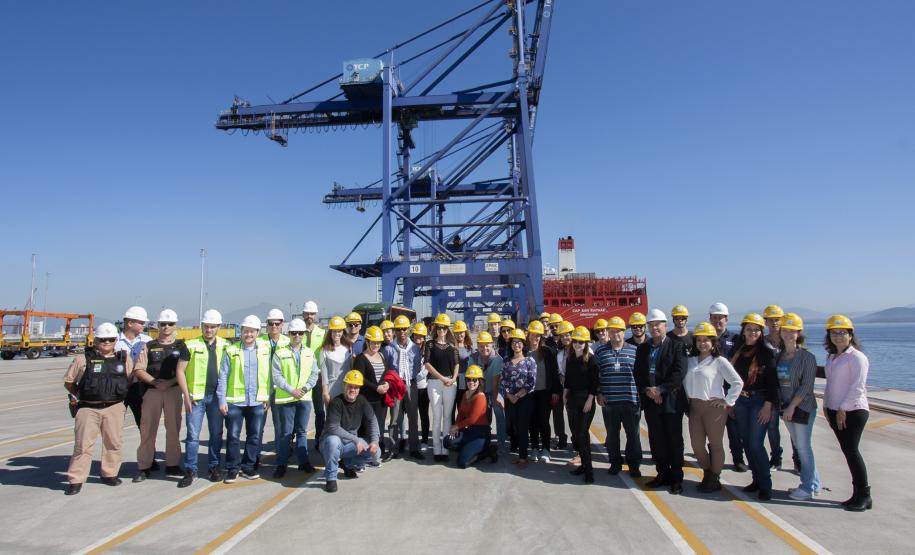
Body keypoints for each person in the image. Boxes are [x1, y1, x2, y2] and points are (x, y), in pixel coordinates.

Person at [64, 323, 136, 495]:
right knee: (82, 445)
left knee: (114, 443)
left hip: (114, 407)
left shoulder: (124, 358)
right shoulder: (83, 359)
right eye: (103, 339)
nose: (107, 343)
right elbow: (69, 382)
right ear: (96, 340)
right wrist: (81, 394)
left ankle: (109, 474)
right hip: (88, 408)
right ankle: (76, 479)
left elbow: (129, 379)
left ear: (116, 340)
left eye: (110, 339)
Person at [683, 322, 743, 493]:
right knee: (697, 446)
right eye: (699, 340)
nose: (702, 343)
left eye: (706, 340)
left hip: (713, 408)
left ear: (713, 342)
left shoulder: (719, 361)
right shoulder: (690, 361)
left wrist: (728, 401)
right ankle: (708, 472)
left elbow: (737, 382)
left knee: (715, 444)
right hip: (694, 407)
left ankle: (714, 477)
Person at [634, 309, 688, 494]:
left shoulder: (677, 346)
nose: (654, 327)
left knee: (674, 439)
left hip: (671, 401)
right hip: (651, 401)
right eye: (651, 324)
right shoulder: (643, 349)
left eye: (658, 324)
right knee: (656, 440)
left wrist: (660, 390)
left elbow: (679, 373)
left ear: (665, 325)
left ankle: (676, 478)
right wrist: (648, 391)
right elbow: (638, 373)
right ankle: (662, 474)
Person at [823, 314, 872, 512]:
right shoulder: (832, 357)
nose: (838, 336)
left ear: (850, 335)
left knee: (852, 451)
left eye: (842, 332)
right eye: (834, 333)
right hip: (835, 409)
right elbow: (831, 384)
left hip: (853, 410)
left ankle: (864, 495)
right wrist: (826, 406)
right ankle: (856, 494)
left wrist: (843, 408)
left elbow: (858, 387)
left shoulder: (857, 357)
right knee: (847, 451)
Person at [133, 309, 187, 482]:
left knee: (173, 429)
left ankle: (173, 464)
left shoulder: (181, 346)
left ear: (175, 325)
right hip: (152, 391)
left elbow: (185, 370)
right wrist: (155, 382)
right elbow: (139, 369)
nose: (166, 327)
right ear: (158, 325)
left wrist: (169, 383)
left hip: (173, 391)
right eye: (163, 324)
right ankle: (144, 466)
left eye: (170, 324)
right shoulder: (148, 346)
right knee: (148, 429)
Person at [176, 309, 228, 487]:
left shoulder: (226, 345)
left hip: (216, 398)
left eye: (213, 327)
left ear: (219, 327)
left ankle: (214, 467)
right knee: (192, 436)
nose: (209, 330)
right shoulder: (190, 345)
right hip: (196, 398)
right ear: (202, 326)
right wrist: (186, 395)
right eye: (206, 326)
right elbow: (180, 371)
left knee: (216, 434)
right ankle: (190, 470)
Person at [217, 315, 271, 483]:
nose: (249, 334)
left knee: (254, 435)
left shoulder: (264, 351)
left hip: (257, 401)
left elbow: (268, 375)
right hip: (235, 401)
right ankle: (233, 468)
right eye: (246, 331)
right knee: (233, 436)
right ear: (241, 332)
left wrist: (267, 396)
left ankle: (248, 466)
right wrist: (222, 400)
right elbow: (223, 376)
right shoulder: (231, 350)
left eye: (252, 331)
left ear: (258, 333)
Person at [731, 313, 778, 500]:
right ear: (743, 331)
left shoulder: (767, 352)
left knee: (755, 444)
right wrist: (731, 402)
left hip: (759, 401)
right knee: (746, 441)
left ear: (761, 332)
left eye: (757, 329)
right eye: (749, 329)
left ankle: (766, 485)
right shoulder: (737, 350)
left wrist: (768, 406)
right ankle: (756, 480)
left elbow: (773, 383)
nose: (752, 332)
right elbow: (731, 378)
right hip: (741, 401)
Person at [775, 313, 820, 500]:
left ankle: (807, 488)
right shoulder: (779, 356)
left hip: (803, 408)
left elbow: (807, 385)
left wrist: (792, 406)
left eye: (792, 331)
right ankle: (814, 483)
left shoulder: (807, 357)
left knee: (803, 447)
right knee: (799, 445)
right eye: (785, 330)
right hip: (786, 408)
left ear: (799, 333)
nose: (788, 334)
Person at [271, 318, 319, 478]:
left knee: (302, 431)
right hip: (286, 399)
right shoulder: (280, 353)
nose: (297, 335)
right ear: (289, 334)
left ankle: (303, 462)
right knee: (285, 433)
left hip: (304, 398)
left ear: (304, 334)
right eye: (293, 333)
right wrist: (292, 390)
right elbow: (276, 376)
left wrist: (304, 389)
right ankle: (281, 464)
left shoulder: (309, 353)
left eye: (300, 333)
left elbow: (314, 374)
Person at [595, 316, 641, 477]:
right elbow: (596, 375)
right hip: (610, 401)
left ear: (624, 331)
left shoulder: (635, 350)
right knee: (612, 435)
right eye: (612, 331)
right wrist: (599, 393)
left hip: (631, 400)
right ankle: (615, 463)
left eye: (619, 331)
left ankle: (634, 465)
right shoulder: (600, 352)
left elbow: (641, 375)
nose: (616, 334)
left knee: (633, 435)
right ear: (608, 332)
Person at [320, 370, 380, 493]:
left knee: (376, 453)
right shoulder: (336, 402)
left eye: (356, 387)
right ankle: (331, 478)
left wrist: (375, 441)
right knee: (333, 441)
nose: (353, 390)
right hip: (331, 442)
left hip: (349, 444)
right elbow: (333, 428)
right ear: (344, 386)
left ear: (359, 389)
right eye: (350, 386)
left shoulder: (362, 401)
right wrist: (356, 440)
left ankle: (347, 463)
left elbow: (372, 420)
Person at [709, 301, 747, 473]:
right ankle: (713, 458)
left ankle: (738, 459)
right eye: (714, 317)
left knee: (734, 429)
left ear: (726, 319)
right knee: (713, 429)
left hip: (731, 390)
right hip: (713, 391)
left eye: (721, 318)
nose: (718, 321)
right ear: (710, 319)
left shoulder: (736, 340)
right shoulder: (705, 339)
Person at [384, 315, 423, 459]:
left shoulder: (415, 349)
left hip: (410, 384)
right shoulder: (389, 349)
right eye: (399, 329)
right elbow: (387, 368)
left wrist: (410, 380)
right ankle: (393, 449)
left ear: (409, 330)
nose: (402, 332)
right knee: (394, 417)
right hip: (395, 385)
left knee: (413, 417)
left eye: (404, 329)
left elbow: (417, 367)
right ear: (395, 330)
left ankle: (414, 448)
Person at [565, 326, 600, 484]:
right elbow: (568, 379)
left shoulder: (591, 359)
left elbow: (595, 382)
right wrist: (565, 395)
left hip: (586, 401)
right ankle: (584, 466)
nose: (577, 344)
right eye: (575, 341)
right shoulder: (570, 358)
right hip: (573, 400)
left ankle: (589, 471)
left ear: (586, 343)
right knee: (576, 434)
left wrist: (590, 400)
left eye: (581, 342)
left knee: (582, 433)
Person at [423, 314, 460, 461]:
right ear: (435, 328)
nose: (441, 330)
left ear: (447, 329)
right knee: (437, 417)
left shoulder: (452, 346)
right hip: (434, 383)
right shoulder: (430, 344)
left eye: (444, 328)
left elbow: (457, 364)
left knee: (447, 417)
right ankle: (437, 450)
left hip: (450, 383)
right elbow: (427, 364)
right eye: (439, 327)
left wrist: (454, 378)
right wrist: (442, 378)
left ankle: (446, 449)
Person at [445, 365, 496, 468]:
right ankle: (468, 449)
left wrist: (456, 426)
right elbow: (461, 414)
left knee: (462, 463)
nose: (471, 382)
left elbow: (472, 419)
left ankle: (486, 451)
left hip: (481, 434)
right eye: (468, 379)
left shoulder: (481, 397)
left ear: (479, 381)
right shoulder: (465, 394)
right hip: (469, 431)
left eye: (474, 380)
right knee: (447, 441)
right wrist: (456, 428)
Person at [525, 320, 561, 462]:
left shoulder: (547, 352)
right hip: (529, 393)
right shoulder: (524, 352)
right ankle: (534, 448)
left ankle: (546, 449)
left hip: (545, 392)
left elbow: (554, 373)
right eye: (533, 334)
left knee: (544, 421)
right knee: (532, 421)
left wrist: (555, 390)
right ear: (528, 335)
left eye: (538, 335)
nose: (535, 337)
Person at [258, 308, 289, 469]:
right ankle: (254, 457)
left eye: (277, 323)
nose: (274, 326)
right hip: (262, 389)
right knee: (258, 426)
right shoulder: (259, 342)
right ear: (267, 324)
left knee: (280, 426)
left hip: (280, 390)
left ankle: (280, 457)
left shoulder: (288, 342)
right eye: (271, 323)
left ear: (282, 324)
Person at [352, 326, 390, 460]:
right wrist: (376, 388)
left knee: (379, 425)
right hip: (367, 399)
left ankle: (378, 450)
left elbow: (386, 373)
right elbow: (360, 379)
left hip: (380, 400)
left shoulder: (381, 355)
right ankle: (364, 455)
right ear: (367, 342)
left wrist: (387, 383)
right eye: (373, 342)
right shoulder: (361, 358)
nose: (376, 345)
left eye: (378, 343)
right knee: (366, 428)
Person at [501, 328, 536, 468]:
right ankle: (519, 453)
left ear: (523, 344)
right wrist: (509, 395)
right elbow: (503, 381)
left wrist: (518, 395)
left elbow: (531, 381)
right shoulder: (506, 361)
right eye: (514, 342)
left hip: (525, 399)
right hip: (510, 399)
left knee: (522, 427)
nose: (516, 345)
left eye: (519, 342)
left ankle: (523, 457)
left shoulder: (529, 361)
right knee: (513, 427)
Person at [762, 304, 790, 470]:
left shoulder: (790, 340)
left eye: (777, 320)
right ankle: (776, 458)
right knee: (772, 427)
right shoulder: (762, 342)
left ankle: (798, 459)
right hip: (772, 390)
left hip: (788, 390)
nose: (774, 323)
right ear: (765, 322)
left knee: (794, 427)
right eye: (771, 320)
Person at [468, 331, 505, 453]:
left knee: (499, 414)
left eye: (487, 345)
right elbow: (473, 380)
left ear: (492, 345)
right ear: (477, 346)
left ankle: (501, 443)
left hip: (495, 389)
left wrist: (495, 400)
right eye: (481, 346)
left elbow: (495, 383)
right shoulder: (473, 358)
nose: (485, 348)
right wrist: (479, 399)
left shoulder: (497, 359)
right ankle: (484, 441)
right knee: (483, 417)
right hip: (480, 390)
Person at [117, 306, 152, 429]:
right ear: (130, 323)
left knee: (144, 424)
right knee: (115, 425)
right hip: (119, 388)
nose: (144, 325)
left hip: (140, 387)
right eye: (141, 322)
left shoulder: (148, 341)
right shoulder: (114, 342)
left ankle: (146, 443)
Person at [301, 301, 327, 447]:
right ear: (303, 314)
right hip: (301, 378)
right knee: (299, 410)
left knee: (319, 411)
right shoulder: (298, 332)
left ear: (315, 315)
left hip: (317, 377)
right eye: (307, 313)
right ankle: (293, 440)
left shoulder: (322, 333)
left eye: (312, 314)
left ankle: (319, 439)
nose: (309, 316)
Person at [552, 320, 574, 452]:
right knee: (557, 414)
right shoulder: (560, 353)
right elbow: (557, 372)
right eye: (563, 335)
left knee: (573, 415)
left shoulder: (582, 350)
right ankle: (561, 439)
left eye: (568, 334)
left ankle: (576, 441)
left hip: (575, 389)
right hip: (560, 388)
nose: (566, 338)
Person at [412, 322, 431, 447]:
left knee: (424, 415)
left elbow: (426, 369)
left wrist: (414, 377)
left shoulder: (427, 351)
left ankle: (424, 440)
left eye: (420, 336)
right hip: (411, 387)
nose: (418, 338)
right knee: (412, 416)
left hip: (423, 387)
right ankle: (413, 440)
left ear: (424, 337)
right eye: (416, 335)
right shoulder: (409, 349)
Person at [452, 320, 474, 424]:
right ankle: (452, 429)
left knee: (463, 408)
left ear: (465, 333)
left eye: (461, 332)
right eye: (457, 332)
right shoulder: (451, 347)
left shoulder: (470, 348)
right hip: (453, 380)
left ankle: (462, 429)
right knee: (451, 408)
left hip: (465, 381)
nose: (459, 334)